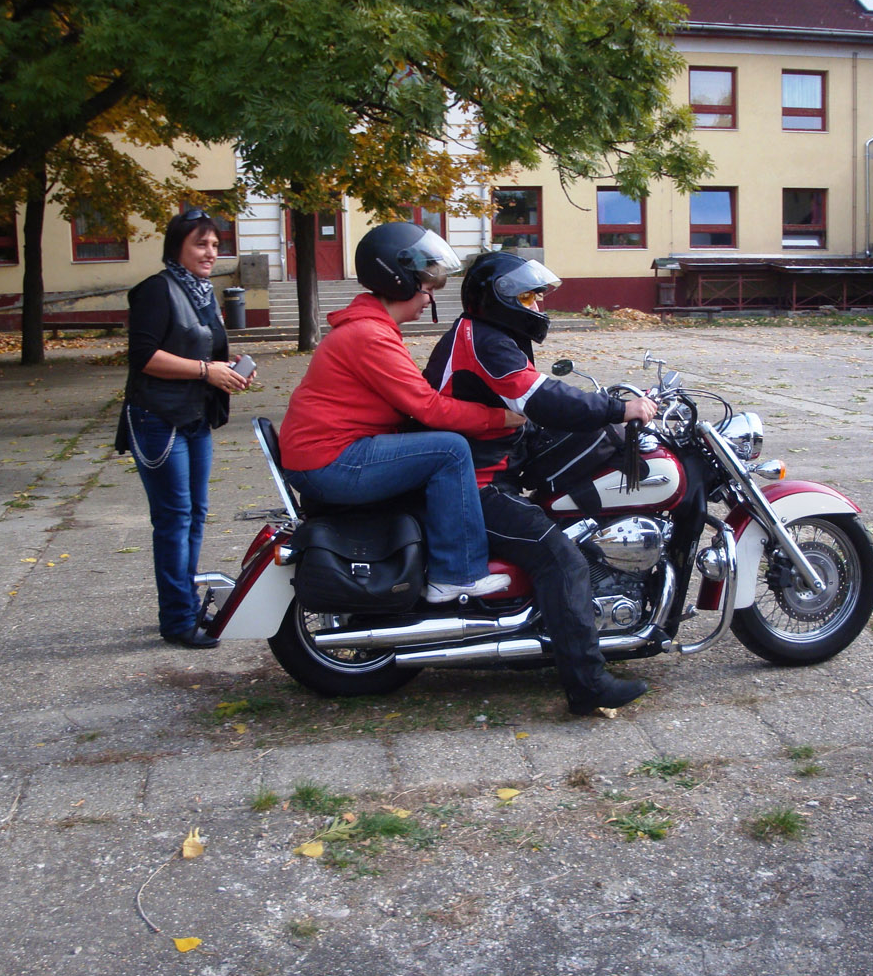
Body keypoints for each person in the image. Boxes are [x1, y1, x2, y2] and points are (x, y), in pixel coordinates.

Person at [423, 252, 658, 716]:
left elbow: (530, 399)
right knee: (562, 559)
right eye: (528, 296)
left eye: (537, 296)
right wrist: (617, 409)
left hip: (483, 470)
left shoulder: (487, 334)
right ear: (500, 300)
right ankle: (587, 684)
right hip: (474, 484)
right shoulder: (484, 339)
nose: (536, 306)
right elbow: (537, 395)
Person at [278, 222, 520, 603]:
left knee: (435, 447)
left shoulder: (371, 329)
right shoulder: (369, 336)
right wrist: (501, 417)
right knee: (450, 450)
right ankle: (457, 575)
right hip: (330, 461)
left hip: (328, 455)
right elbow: (429, 408)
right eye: (427, 289)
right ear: (399, 283)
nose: (429, 299)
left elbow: (413, 398)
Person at [116, 208, 254, 649]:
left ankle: (183, 605)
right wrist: (204, 371)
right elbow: (144, 357)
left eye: (215, 244)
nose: (210, 252)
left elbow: (204, 352)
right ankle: (177, 620)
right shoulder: (156, 290)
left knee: (194, 514)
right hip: (159, 419)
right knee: (174, 519)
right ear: (177, 246)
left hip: (196, 417)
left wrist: (228, 370)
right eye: (201, 243)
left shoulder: (201, 293)